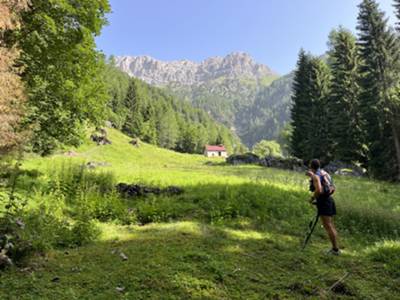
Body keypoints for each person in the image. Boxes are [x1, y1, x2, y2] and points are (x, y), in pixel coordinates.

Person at [306, 159, 340, 255]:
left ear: (311, 166)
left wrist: (312, 198)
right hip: (329, 200)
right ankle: (335, 247)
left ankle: (335, 250)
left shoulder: (316, 176)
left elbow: (319, 190)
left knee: (328, 226)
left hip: (324, 202)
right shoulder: (324, 173)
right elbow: (332, 187)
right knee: (330, 225)